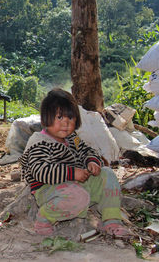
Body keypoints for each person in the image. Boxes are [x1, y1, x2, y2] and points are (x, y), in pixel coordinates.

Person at [19, 88, 130, 237]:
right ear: (46, 118)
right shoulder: (39, 142)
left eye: (70, 119)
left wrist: (92, 162)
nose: (66, 124)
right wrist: (72, 173)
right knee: (78, 196)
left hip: (76, 184)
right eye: (59, 118)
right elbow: (40, 171)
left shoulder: (72, 138)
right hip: (48, 189)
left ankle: (111, 220)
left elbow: (87, 151)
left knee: (108, 174)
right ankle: (45, 217)